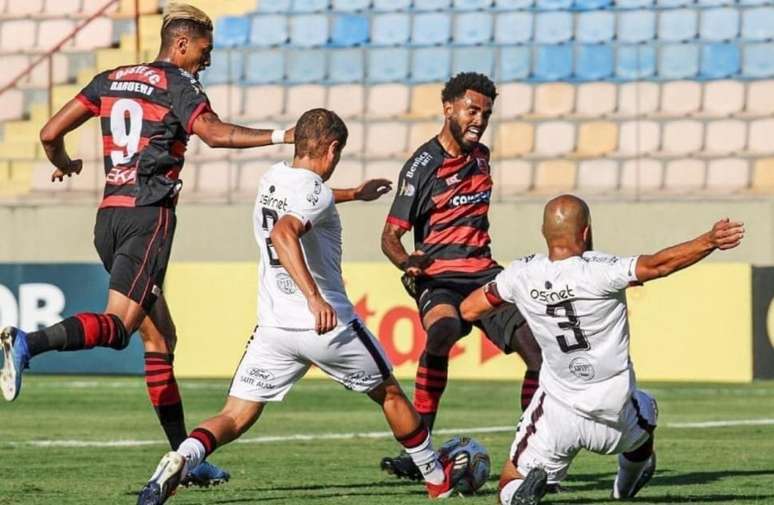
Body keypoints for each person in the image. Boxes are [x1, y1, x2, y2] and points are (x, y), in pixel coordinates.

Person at [0, 3, 293, 486]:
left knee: (160, 339)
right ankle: (26, 343)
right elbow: (215, 135)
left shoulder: (109, 78)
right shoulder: (179, 83)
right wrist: (284, 135)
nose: (208, 59)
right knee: (119, 328)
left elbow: (50, 132)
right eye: (205, 48)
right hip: (147, 217)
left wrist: (67, 161)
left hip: (108, 217)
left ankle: (184, 460)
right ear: (181, 44)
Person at [135, 108, 467, 505]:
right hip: (326, 326)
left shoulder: (272, 179)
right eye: (338, 155)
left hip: (274, 329)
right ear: (331, 149)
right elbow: (284, 231)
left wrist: (354, 194)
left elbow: (306, 203)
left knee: (234, 415)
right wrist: (314, 297)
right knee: (391, 395)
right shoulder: (314, 192)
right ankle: (437, 479)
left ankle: (182, 458)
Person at [459, 195, 745, 505]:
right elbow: (658, 265)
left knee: (508, 483)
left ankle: (522, 494)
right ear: (585, 232)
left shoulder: (521, 274)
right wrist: (709, 240)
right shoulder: (601, 271)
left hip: (556, 411)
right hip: (613, 411)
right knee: (646, 411)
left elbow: (469, 309)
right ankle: (624, 488)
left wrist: (526, 305)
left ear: (544, 233)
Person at [379, 72, 542, 480]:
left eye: (486, 113)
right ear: (448, 108)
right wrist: (408, 264)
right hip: (440, 277)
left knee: (540, 355)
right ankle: (421, 453)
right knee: (443, 331)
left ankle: (532, 454)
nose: (479, 120)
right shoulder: (422, 165)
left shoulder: (482, 156)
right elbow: (390, 236)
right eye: (472, 110)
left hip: (484, 274)